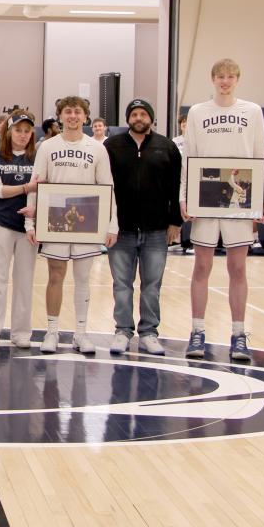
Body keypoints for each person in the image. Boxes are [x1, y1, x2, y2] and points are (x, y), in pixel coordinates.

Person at [179, 58, 264, 361]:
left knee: (238, 268)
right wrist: (184, 196)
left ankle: (239, 333)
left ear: (238, 79)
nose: (225, 81)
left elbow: (260, 156)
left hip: (240, 196)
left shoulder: (252, 111)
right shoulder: (197, 112)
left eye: (230, 76)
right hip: (205, 193)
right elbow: (189, 156)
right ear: (212, 79)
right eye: (220, 76)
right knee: (202, 266)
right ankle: (197, 331)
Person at [24, 96, 117, 354]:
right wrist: (29, 223)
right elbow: (36, 184)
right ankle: (52, 332)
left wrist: (112, 224)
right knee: (55, 276)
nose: (73, 116)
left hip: (86, 221)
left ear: (86, 117)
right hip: (54, 220)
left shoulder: (98, 148)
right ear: (60, 116)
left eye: (78, 112)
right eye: (68, 111)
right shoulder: (47, 146)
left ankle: (81, 333)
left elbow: (107, 187)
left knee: (83, 279)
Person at [104, 99, 182, 355]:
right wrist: (107, 223)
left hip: (157, 230)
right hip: (122, 230)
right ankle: (122, 331)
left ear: (150, 118)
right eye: (134, 114)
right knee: (122, 284)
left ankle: (149, 332)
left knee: (152, 285)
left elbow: (175, 187)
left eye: (143, 114)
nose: (139, 117)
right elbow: (105, 188)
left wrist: (175, 222)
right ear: (128, 118)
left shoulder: (167, 147)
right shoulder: (111, 146)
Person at [0, 110, 38, 353]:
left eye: (27, 131)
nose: (22, 135)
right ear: (9, 131)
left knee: (25, 282)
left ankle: (21, 333)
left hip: (28, 230)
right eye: (18, 130)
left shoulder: (37, 156)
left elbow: (44, 189)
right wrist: (26, 187)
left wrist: (34, 212)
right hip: (1, 224)